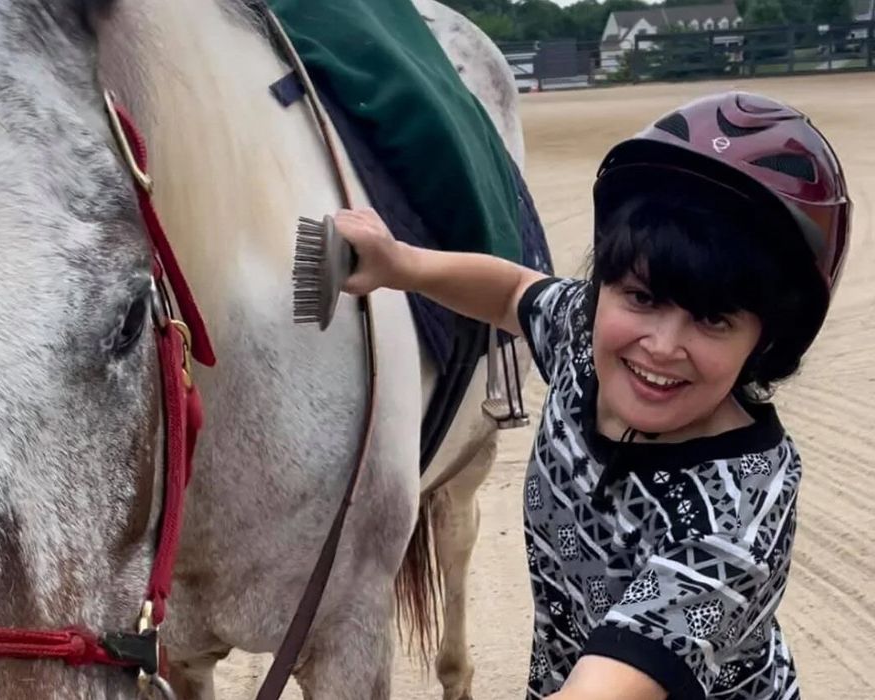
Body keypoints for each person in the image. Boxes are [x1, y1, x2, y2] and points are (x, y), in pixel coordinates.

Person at [333, 91, 852, 700]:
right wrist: (402, 265)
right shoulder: (586, 343)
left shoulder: (736, 516)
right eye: (642, 297)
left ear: (766, 340)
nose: (660, 346)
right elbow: (513, 295)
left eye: (713, 320)